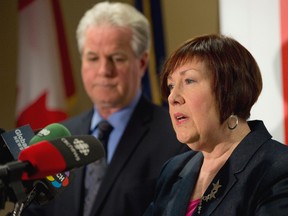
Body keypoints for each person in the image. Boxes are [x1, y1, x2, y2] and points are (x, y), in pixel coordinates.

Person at [22, 2, 188, 216]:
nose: (104, 70)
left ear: (142, 63)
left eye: (117, 58)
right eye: (93, 58)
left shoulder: (176, 138)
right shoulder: (58, 136)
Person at [143, 34, 288, 216]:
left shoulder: (278, 169)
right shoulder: (173, 170)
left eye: (189, 81)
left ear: (230, 91)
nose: (173, 97)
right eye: (171, 86)